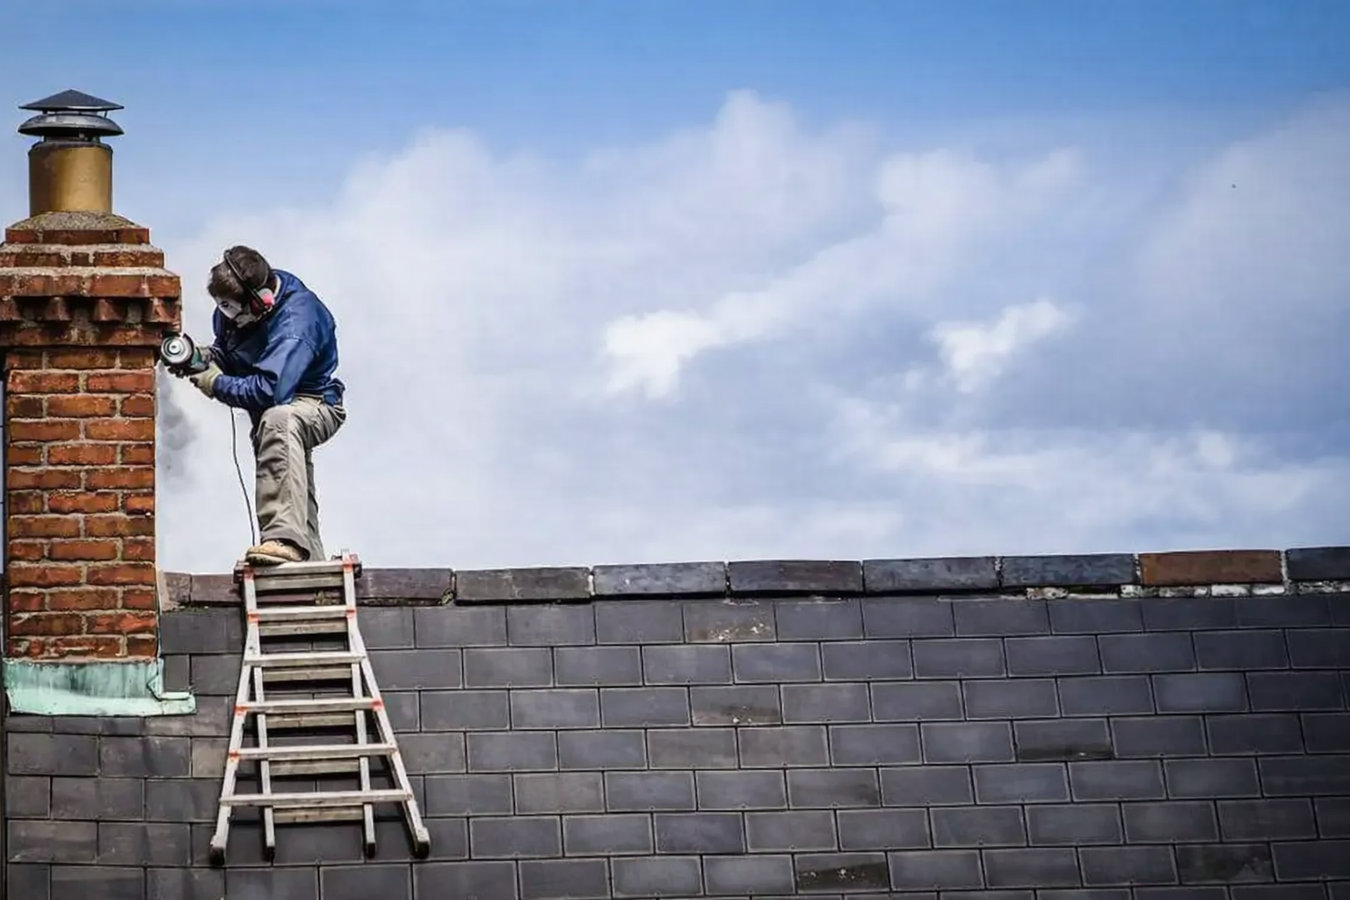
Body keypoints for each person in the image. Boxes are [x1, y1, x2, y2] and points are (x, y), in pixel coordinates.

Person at [171, 245, 346, 566]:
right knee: (290, 483)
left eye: (230, 309)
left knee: (280, 420)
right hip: (275, 413)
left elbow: (269, 391)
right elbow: (233, 353)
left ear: (261, 301)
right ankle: (309, 561)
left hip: (314, 402)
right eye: (221, 308)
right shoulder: (236, 313)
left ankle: (283, 541)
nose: (225, 317)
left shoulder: (297, 322)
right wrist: (203, 359)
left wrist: (214, 383)